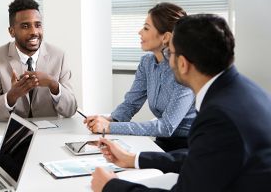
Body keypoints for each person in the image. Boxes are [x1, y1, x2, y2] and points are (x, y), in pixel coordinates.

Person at [91, 14, 271, 192]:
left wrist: (111, 187)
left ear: (183, 64)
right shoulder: (244, 90)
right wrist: (135, 159)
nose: (168, 60)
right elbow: (202, 158)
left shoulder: (219, 116)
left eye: (171, 53)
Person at [84, 3, 196, 151]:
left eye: (146, 28)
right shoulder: (147, 62)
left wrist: (110, 127)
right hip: (162, 142)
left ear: (165, 37)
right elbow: (131, 104)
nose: (139, 32)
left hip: (188, 146)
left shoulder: (184, 69)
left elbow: (166, 126)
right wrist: (109, 119)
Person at [0, 0, 77, 121]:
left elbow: (71, 109)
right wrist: (12, 95)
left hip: (52, 133)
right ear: (12, 31)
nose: (34, 32)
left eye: (38, 25)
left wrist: (53, 85)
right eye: (25, 26)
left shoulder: (59, 56)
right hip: (13, 133)